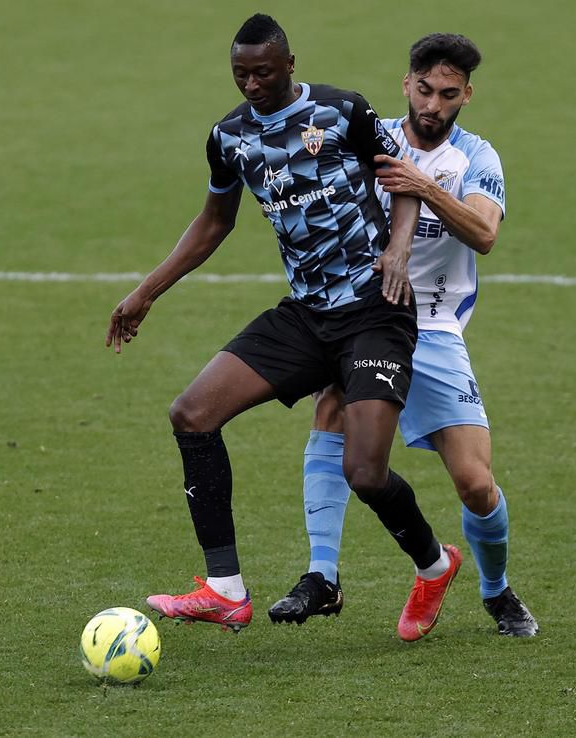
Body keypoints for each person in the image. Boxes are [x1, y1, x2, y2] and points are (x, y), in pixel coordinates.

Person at [106, 14, 461, 641]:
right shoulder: (229, 137)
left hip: (375, 311)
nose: (251, 84)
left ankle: (435, 564)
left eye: (263, 72)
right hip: (306, 314)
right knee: (191, 413)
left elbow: (403, 178)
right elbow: (214, 223)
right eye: (240, 73)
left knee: (366, 472)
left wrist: (399, 250)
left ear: (289, 65)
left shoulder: (341, 110)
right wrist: (145, 293)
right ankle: (225, 590)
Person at [268, 33, 539, 637]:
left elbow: (485, 234)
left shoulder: (477, 157)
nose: (433, 105)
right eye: (424, 89)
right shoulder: (369, 136)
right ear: (405, 84)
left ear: (467, 93)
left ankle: (494, 591)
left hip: (434, 328)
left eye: (448, 94)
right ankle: (321, 574)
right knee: (332, 411)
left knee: (474, 484)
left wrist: (424, 187)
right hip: (361, 317)